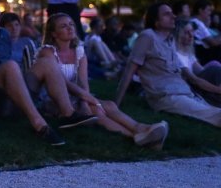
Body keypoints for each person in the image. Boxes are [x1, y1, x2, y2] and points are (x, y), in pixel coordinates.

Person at [0, 0, 97, 146]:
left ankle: (68, 114)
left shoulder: (2, 35)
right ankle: (40, 126)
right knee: (11, 66)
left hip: (7, 96)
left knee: (46, 62)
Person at [34, 13, 169, 148]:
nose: (70, 28)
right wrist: (88, 99)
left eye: (71, 25)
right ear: (54, 34)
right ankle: (137, 136)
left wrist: (84, 102)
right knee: (97, 110)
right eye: (63, 26)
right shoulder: (48, 52)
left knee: (109, 105)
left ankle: (141, 130)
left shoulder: (79, 51)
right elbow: (63, 82)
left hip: (75, 96)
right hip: (53, 100)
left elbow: (83, 82)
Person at [116, 3, 221, 128]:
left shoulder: (170, 40)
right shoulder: (148, 36)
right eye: (167, 14)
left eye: (172, 13)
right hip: (166, 96)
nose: (173, 16)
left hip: (186, 92)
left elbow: (191, 77)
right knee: (215, 114)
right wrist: (116, 104)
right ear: (156, 21)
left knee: (213, 109)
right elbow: (129, 70)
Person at [174, 20, 221, 108]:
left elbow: (202, 71)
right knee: (215, 69)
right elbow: (193, 80)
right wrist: (218, 90)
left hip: (198, 87)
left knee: (215, 67)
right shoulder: (175, 55)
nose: (191, 35)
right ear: (177, 35)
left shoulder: (188, 53)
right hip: (188, 89)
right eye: (186, 32)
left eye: (191, 31)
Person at [190, 0, 221, 64]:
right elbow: (213, 42)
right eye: (208, 10)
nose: (210, 13)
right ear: (200, 10)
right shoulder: (197, 23)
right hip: (201, 54)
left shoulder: (196, 21)